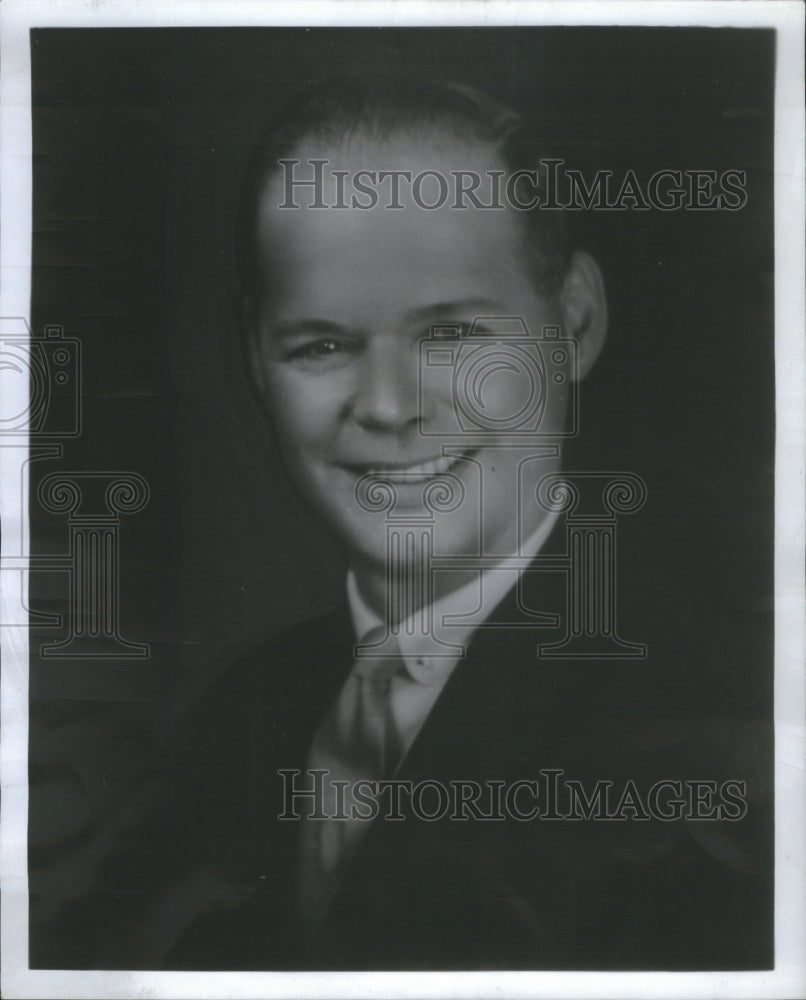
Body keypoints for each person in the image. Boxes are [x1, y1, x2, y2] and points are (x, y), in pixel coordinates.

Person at [123, 75, 772, 970]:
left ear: (573, 325)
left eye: (453, 336)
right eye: (322, 345)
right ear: (254, 362)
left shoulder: (726, 743)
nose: (388, 408)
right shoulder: (224, 728)